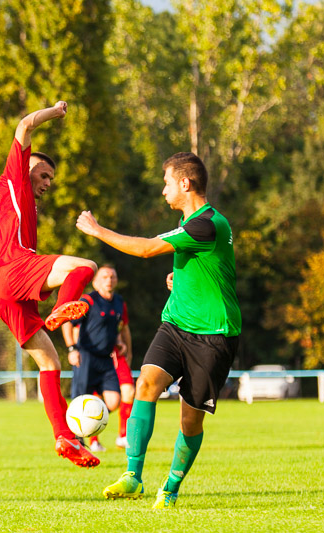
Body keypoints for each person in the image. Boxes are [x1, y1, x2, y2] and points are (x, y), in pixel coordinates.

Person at [76, 152, 241, 509]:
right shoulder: (191, 224)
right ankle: (133, 476)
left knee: (190, 421)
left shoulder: (207, 223)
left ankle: (171, 486)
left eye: (167, 182)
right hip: (176, 325)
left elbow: (148, 249)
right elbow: (202, 266)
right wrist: (181, 280)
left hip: (214, 335)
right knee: (146, 383)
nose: (163, 190)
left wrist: (97, 230)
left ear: (185, 183)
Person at [0, 101, 100, 468]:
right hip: (14, 268)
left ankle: (64, 437)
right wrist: (55, 111)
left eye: (50, 180)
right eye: (45, 176)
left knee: (49, 362)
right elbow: (23, 126)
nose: (47, 184)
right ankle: (63, 307)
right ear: (28, 167)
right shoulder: (14, 179)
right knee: (86, 267)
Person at [61, 265, 135, 452]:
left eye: (112, 276)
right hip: (86, 356)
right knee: (79, 400)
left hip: (106, 358)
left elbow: (119, 327)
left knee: (114, 400)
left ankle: (90, 421)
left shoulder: (119, 302)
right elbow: (67, 322)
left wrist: (121, 342)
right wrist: (72, 348)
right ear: (95, 282)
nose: (109, 280)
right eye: (104, 276)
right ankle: (77, 442)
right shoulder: (88, 300)